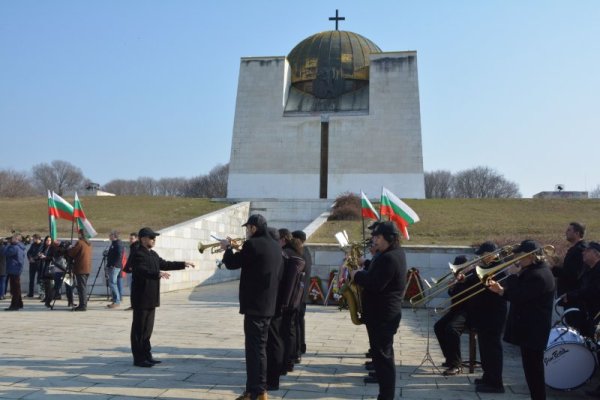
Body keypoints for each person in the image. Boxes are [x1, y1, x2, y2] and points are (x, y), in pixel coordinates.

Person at [220, 214, 283, 400]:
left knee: (254, 351)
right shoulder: (275, 246)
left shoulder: (252, 244)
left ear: (254, 228)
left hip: (254, 306)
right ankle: (253, 390)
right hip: (268, 305)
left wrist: (227, 249)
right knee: (260, 349)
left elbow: (231, 264)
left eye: (247, 228)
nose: (246, 232)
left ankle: (258, 392)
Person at [487, 240, 555, 400]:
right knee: (531, 370)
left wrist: (511, 276)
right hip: (530, 329)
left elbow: (520, 296)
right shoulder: (533, 271)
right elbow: (521, 294)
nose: (516, 259)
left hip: (533, 330)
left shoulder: (539, 275)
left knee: (534, 372)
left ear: (531, 256)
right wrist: (502, 291)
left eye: (519, 255)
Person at [350, 221, 407, 400]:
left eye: (377, 237)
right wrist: (367, 264)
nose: (374, 240)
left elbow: (376, 284)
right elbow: (379, 272)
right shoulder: (390, 254)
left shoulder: (389, 257)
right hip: (381, 314)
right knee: (382, 356)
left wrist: (357, 275)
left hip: (383, 315)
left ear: (387, 238)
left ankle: (386, 396)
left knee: (383, 358)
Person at [128, 227, 195, 367]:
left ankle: (147, 355)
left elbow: (165, 264)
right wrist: (156, 274)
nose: (154, 240)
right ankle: (139, 358)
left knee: (148, 329)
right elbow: (141, 270)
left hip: (151, 297)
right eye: (151, 237)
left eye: (154, 237)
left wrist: (183, 264)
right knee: (139, 329)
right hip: (141, 297)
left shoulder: (152, 254)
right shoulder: (138, 253)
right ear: (143, 239)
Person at [433, 255, 470, 376]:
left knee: (451, 329)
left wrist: (462, 282)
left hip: (468, 311)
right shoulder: (458, 277)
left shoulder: (472, 276)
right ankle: (449, 358)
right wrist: (452, 287)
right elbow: (455, 296)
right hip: (456, 310)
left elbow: (467, 297)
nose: (456, 270)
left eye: (460, 267)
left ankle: (456, 365)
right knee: (438, 326)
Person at [562, 241, 600, 338]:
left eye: (587, 251)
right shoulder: (588, 269)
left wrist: (571, 295)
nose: (583, 253)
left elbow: (592, 291)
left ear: (596, 254)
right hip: (589, 314)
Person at [292, 230, 312, 358]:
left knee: (297, 322)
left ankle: (298, 349)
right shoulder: (307, 251)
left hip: (298, 294)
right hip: (303, 293)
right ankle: (301, 346)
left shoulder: (300, 253)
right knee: (300, 321)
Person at [552, 222, 587, 296]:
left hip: (571, 294)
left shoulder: (579, 250)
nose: (566, 232)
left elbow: (573, 275)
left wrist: (553, 269)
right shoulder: (577, 248)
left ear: (577, 233)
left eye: (569, 230)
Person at [67, 229, 93, 311]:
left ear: (81, 235)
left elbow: (72, 253)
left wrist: (70, 248)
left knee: (81, 288)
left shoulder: (80, 243)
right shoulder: (88, 244)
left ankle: (83, 305)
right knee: (82, 287)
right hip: (86, 268)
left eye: (79, 234)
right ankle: (83, 304)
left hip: (81, 268)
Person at [2, 234, 26, 311]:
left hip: (14, 269)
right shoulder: (20, 247)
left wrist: (5, 245)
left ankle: (14, 305)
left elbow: (4, 253)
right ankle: (19, 303)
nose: (10, 240)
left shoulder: (15, 247)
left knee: (14, 289)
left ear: (17, 239)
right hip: (16, 269)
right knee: (17, 288)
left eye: (12, 238)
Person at [106, 230, 124, 309]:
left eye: (110, 235)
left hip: (115, 267)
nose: (109, 236)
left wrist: (114, 265)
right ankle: (115, 299)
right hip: (111, 266)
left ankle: (117, 301)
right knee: (112, 283)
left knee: (113, 283)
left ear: (114, 236)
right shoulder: (113, 244)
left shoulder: (118, 244)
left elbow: (119, 256)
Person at [123, 232, 139, 311]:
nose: (130, 240)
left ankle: (134, 306)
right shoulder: (133, 246)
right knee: (132, 289)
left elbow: (135, 259)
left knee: (133, 289)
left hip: (133, 271)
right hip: (130, 270)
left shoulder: (136, 247)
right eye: (130, 238)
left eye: (132, 238)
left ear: (136, 238)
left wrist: (132, 267)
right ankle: (134, 305)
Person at [26, 234, 44, 298]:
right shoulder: (33, 245)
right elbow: (28, 252)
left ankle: (41, 294)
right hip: (32, 264)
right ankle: (31, 293)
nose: (33, 240)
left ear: (37, 238)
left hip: (39, 264)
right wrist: (30, 258)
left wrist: (35, 258)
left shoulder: (42, 245)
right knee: (31, 279)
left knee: (39, 279)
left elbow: (40, 253)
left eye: (34, 238)